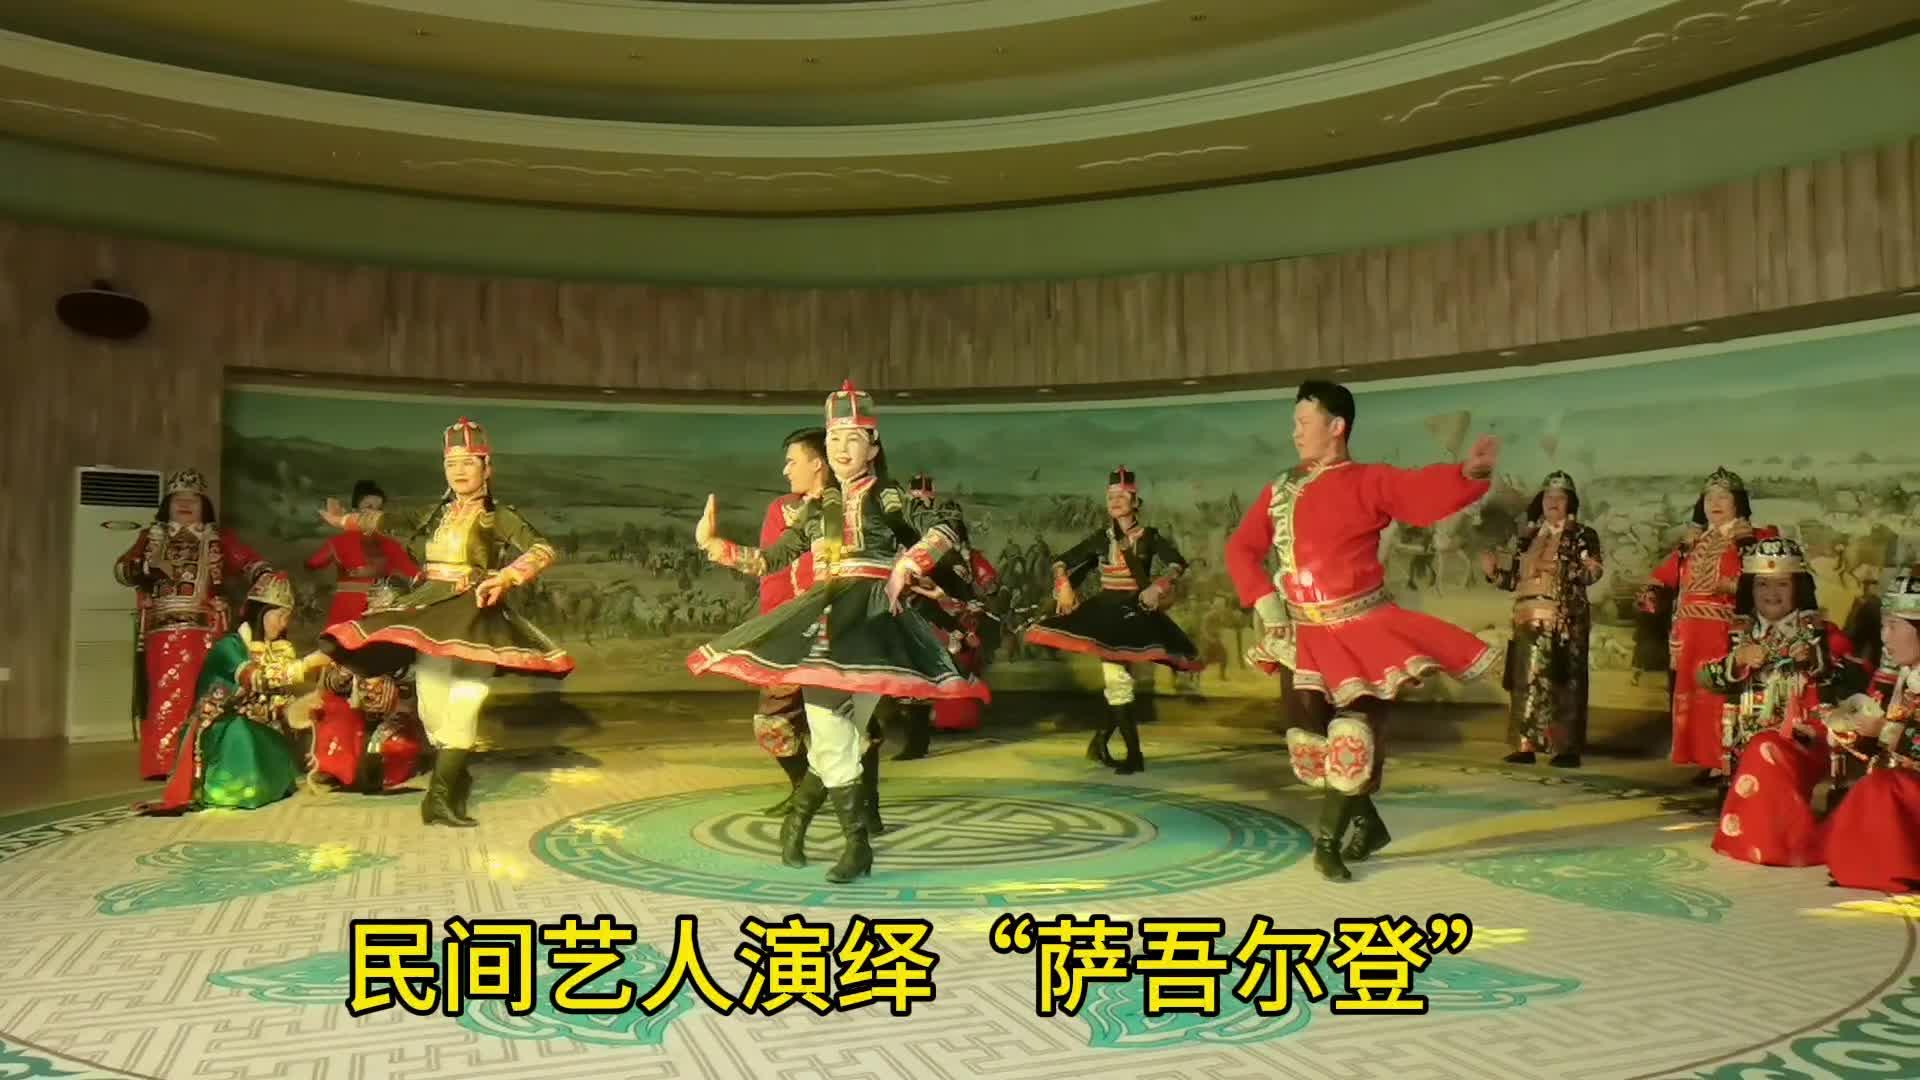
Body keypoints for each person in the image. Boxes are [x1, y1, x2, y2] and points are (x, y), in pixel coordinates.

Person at [690, 380, 988, 883]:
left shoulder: (887, 494)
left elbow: (945, 528)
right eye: (834, 440)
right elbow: (771, 560)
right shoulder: (819, 506)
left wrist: (907, 564)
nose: (842, 449)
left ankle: (798, 823)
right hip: (828, 618)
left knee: (840, 738)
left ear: (873, 446)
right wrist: (712, 545)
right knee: (835, 734)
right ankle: (856, 846)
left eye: (853, 439)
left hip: (873, 622)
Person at [1224, 381, 1498, 881]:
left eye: (1303, 423)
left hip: (1364, 634)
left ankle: (1327, 845)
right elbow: (1241, 549)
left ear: (1336, 426)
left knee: (1353, 736)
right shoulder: (1280, 489)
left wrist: (1467, 474)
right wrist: (1268, 605)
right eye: (1293, 424)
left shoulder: (1370, 480)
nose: (1295, 433)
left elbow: (1418, 494)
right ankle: (1368, 826)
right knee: (1312, 745)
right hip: (1304, 637)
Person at [317, 417, 573, 827]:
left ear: (487, 468)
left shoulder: (498, 516)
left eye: (469, 462)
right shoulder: (436, 513)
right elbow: (391, 522)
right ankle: (455, 776)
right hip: (433, 610)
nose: (459, 471)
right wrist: (346, 521)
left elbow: (542, 549)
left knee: (468, 697)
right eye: (452, 464)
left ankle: (438, 797)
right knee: (433, 706)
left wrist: (506, 577)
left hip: (475, 611)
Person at [1025, 467, 1203, 774]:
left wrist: (1157, 587)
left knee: (1120, 682)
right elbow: (1061, 561)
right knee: (1118, 681)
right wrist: (1064, 585)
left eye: (1122, 496)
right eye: (1111, 497)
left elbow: (1177, 564)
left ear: (1135, 502)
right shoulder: (1101, 537)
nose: (1115, 501)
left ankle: (1100, 743)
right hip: (1106, 614)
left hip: (1135, 612)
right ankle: (1134, 755)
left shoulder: (1149, 537)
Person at [1698, 538, 1857, 866]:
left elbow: (1856, 678)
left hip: (1805, 741)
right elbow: (1704, 677)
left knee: (1765, 747)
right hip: (1749, 740)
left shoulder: (1821, 633)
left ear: (1798, 588)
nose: (1772, 593)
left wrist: (1816, 659)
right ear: (1750, 589)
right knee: (1760, 747)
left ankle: (1772, 843)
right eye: (1762, 584)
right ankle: (1771, 838)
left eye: (1782, 584)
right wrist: (1737, 660)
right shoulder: (1737, 634)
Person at [114, 468, 275, 779]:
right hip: (164, 631)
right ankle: (164, 764)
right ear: (168, 505)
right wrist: (148, 566)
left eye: (193, 499)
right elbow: (121, 570)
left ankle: (207, 760)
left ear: (204, 506)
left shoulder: (217, 538)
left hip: (208, 628)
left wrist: (266, 579)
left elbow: (252, 563)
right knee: (166, 696)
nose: (186, 504)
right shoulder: (150, 538)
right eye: (179, 499)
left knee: (211, 693)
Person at [1639, 468, 1780, 781]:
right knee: (1695, 696)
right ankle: (1705, 757)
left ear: (1737, 502)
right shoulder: (1693, 542)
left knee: (1721, 694)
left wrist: (1733, 586)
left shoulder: (1754, 539)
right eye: (1709, 498)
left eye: (1723, 497)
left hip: (1725, 630)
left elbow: (1770, 582)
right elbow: (1665, 575)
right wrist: (1652, 591)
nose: (1715, 503)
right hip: (1690, 631)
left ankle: (1725, 759)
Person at [139, 572, 319, 814]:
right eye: (279, 616)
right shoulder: (229, 647)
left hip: (256, 722)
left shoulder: (276, 649)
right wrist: (307, 665)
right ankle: (230, 788)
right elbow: (256, 679)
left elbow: (275, 698)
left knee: (277, 743)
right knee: (242, 738)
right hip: (220, 725)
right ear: (260, 613)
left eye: (287, 617)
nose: (283, 624)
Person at [1481, 471, 1604, 767]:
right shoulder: (1528, 538)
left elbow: (1592, 573)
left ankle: (1566, 749)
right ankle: (1525, 746)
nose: (1553, 502)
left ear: (1570, 503)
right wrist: (1494, 573)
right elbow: (1514, 580)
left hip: (1564, 619)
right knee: (1526, 681)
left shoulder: (1583, 535)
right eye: (1549, 497)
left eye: (1560, 497)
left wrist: (1564, 568)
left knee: (1564, 683)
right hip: (1527, 618)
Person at [1822, 565, 1920, 892]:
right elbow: (1879, 747)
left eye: (1894, 626)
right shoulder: (1904, 678)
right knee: (1875, 787)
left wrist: (1885, 732)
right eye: (1883, 626)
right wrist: (1853, 731)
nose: (1884, 637)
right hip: (1902, 782)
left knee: (1882, 789)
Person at [295, 580, 429, 795]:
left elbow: (417, 688)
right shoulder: (357, 642)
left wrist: (391, 682)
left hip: (400, 717)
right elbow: (333, 684)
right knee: (332, 720)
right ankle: (336, 769)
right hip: (360, 716)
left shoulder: (415, 644)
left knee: (391, 746)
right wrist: (345, 673)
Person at [754, 428, 823, 818]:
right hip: (790, 630)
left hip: (842, 628)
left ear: (818, 463)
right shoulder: (782, 509)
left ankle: (865, 810)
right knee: (772, 721)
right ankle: (803, 788)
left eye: (792, 461)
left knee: (851, 727)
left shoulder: (856, 507)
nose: (785, 470)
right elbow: (771, 570)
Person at [304, 480, 421, 626]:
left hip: (376, 609)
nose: (374, 513)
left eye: (379, 509)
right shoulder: (341, 542)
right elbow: (313, 564)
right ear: (355, 510)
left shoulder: (389, 544)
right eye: (369, 507)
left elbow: (413, 572)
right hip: (351, 609)